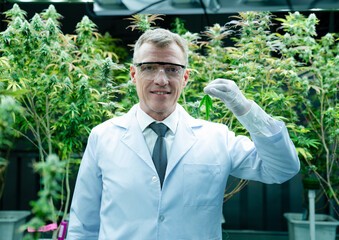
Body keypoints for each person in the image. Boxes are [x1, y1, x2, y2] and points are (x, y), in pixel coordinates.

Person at [67, 28, 300, 240]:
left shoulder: (217, 138)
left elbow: (282, 168)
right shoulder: (103, 137)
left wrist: (246, 110)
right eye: (149, 67)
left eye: (172, 69)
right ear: (133, 74)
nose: (161, 80)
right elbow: (83, 225)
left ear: (185, 77)